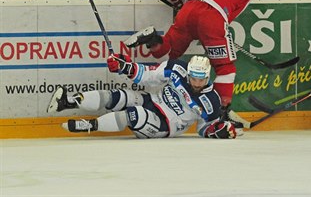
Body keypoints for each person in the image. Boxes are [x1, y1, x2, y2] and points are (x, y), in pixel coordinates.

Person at [123, 0, 254, 116]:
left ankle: (153, 40)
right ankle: (220, 113)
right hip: (214, 18)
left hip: (189, 8)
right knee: (225, 68)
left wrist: (178, 0)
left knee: (169, 53)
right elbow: (227, 18)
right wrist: (212, 35)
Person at [46, 55, 237, 139]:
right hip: (152, 100)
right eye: (193, 78)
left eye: (201, 79)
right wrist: (125, 67)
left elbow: (205, 128)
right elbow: (149, 75)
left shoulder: (211, 100)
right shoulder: (176, 68)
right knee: (120, 96)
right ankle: (68, 101)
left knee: (134, 114)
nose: (196, 83)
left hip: (165, 125)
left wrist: (217, 131)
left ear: (208, 76)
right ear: (188, 73)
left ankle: (90, 126)